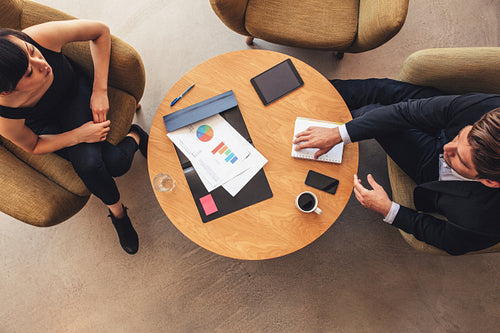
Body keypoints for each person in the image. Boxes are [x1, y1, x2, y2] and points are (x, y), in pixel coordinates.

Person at [293, 78, 500, 255]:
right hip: (445, 118)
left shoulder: (487, 221)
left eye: (459, 159)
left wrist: (388, 209)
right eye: (459, 137)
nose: (447, 148)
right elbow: (406, 112)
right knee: (383, 91)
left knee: (370, 111)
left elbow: (447, 240)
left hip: (434, 174)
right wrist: (339, 134)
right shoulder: (490, 112)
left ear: (490, 182)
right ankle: (308, 92)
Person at [0, 20, 149, 255]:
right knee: (113, 163)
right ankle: (119, 213)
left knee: (105, 164)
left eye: (32, 52)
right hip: (45, 125)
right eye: (30, 73)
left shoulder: (39, 37)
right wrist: (78, 135)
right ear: (7, 91)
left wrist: (100, 90)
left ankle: (135, 135)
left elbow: (100, 31)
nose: (42, 64)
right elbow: (34, 145)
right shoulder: (4, 117)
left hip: (73, 95)